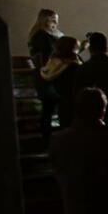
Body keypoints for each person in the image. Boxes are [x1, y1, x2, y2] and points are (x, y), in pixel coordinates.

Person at [75, 32, 108, 143]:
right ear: (106, 47)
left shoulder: (84, 68)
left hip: (93, 114)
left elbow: (78, 92)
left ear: (90, 49)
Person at [28, 9, 62, 142]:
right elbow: (48, 57)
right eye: (53, 20)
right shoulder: (42, 37)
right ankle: (47, 139)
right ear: (45, 20)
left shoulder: (41, 35)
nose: (56, 23)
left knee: (49, 108)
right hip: (47, 74)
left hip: (47, 74)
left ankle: (47, 139)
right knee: (49, 108)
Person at [40, 36, 81, 131]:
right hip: (71, 103)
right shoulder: (73, 67)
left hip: (57, 103)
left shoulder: (50, 64)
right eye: (76, 47)